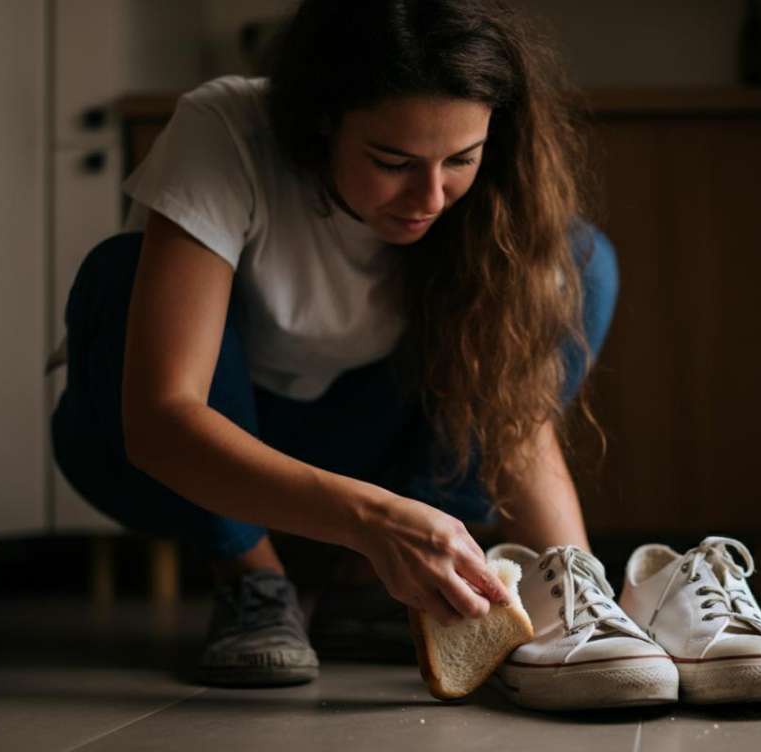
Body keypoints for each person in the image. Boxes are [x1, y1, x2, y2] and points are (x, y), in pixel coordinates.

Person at [49, 0, 619, 688]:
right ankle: (251, 580)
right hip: (171, 458)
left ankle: (367, 591)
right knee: (121, 272)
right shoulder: (227, 126)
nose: (430, 197)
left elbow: (513, 413)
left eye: (461, 159)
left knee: (577, 260)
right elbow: (160, 420)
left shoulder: (485, 198)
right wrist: (373, 520)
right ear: (321, 126)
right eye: (393, 161)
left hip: (373, 444)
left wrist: (580, 590)